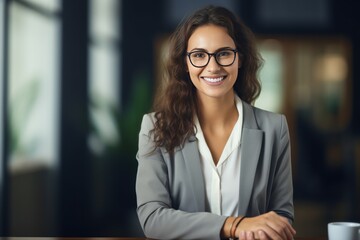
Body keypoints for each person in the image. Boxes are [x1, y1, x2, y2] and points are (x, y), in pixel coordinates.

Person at [135, 5, 296, 240]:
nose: (213, 66)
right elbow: (152, 218)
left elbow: (281, 217)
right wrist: (234, 225)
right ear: (186, 63)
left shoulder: (274, 128)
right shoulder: (154, 127)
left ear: (239, 58)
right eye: (199, 55)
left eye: (223, 53)